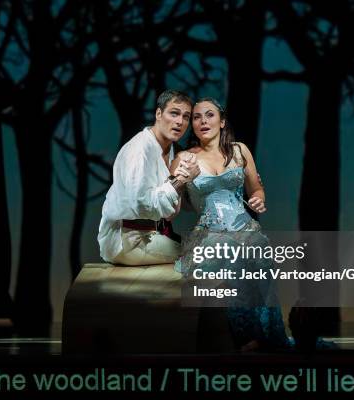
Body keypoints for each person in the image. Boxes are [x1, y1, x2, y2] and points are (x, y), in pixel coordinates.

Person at [172, 97, 290, 351]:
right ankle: (242, 340)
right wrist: (180, 180)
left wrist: (258, 199)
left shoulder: (239, 150)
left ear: (222, 121)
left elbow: (256, 189)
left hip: (245, 229)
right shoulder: (184, 157)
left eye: (209, 115)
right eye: (196, 117)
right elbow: (171, 206)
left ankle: (261, 337)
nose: (203, 121)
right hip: (209, 234)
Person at [98, 89, 200, 265]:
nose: (180, 122)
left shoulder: (170, 150)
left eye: (185, 117)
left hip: (151, 235)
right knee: (202, 259)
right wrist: (180, 180)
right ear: (158, 114)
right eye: (174, 113)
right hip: (127, 241)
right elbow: (142, 204)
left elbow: (169, 213)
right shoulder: (140, 150)